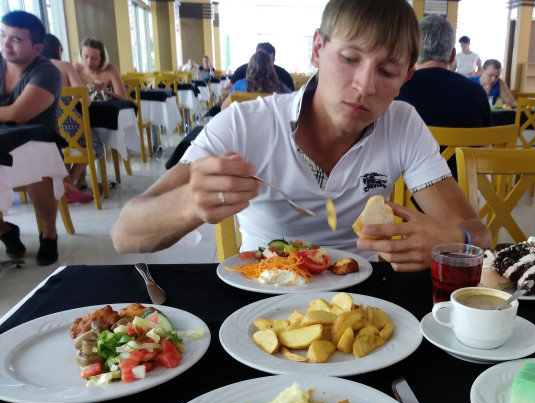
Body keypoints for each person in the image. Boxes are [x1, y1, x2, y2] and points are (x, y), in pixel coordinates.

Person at [111, 0, 491, 272]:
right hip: (265, 294)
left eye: (387, 72)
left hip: (365, 304)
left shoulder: (403, 124)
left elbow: (479, 235)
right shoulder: (245, 124)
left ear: (405, 79)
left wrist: (455, 240)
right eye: (350, 58)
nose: (364, 86)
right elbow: (125, 234)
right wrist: (189, 203)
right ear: (317, 48)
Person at [0, 11, 62, 265]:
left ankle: (49, 233)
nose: (6, 44)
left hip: (40, 143)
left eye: (15, 39)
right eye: (3, 35)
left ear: (37, 47)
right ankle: (5, 230)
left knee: (35, 167)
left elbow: (18, 114)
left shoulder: (47, 72)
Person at [395, 15, 491, 177]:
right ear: (453, 56)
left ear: (412, 51)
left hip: (403, 190)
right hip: (462, 190)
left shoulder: (395, 89)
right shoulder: (477, 92)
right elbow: (486, 151)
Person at [41, 33, 95, 204]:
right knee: (93, 143)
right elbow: (85, 101)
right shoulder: (65, 66)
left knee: (68, 146)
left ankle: (65, 184)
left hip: (44, 130)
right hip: (68, 125)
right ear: (58, 49)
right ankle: (68, 183)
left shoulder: (33, 69)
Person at [223, 42, 295, 99]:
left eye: (267, 60)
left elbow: (224, 103)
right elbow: (292, 101)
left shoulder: (239, 85)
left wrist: (239, 93)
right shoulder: (241, 71)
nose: (263, 64)